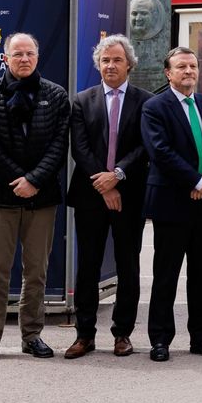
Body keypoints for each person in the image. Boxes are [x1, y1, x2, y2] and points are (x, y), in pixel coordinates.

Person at [0, 32, 69, 364]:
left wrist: (34, 180)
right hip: (0, 195)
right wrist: (19, 180)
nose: (24, 59)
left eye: (29, 53)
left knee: (36, 271)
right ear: (5, 59)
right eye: (17, 54)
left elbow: (59, 146)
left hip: (42, 198)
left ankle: (32, 335)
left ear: (37, 58)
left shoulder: (56, 95)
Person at [65, 35, 152, 359]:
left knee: (128, 265)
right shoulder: (81, 101)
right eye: (105, 60)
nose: (111, 65)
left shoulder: (144, 102)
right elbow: (80, 147)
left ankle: (122, 334)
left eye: (117, 60)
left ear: (129, 64)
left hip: (129, 194)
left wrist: (116, 177)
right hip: (90, 196)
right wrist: (103, 185)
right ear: (98, 65)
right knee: (88, 265)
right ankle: (84, 334)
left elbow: (144, 147)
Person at [142, 46, 202, 362]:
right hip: (171, 202)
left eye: (192, 66)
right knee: (166, 274)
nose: (189, 72)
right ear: (169, 73)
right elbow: (160, 152)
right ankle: (160, 339)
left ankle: (201, 337)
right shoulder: (155, 107)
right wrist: (195, 181)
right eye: (181, 67)